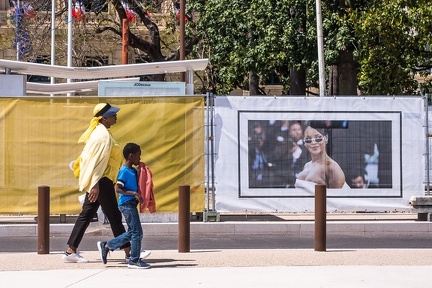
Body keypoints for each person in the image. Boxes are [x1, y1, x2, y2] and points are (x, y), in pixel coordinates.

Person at [62, 103, 130, 263]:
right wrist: (94, 184)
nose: (115, 116)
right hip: (101, 181)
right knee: (114, 217)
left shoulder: (102, 133)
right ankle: (129, 253)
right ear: (104, 118)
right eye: (112, 114)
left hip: (100, 181)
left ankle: (70, 252)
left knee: (86, 215)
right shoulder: (102, 136)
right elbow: (94, 162)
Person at [97, 143, 151, 269]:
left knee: (133, 232)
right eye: (138, 156)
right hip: (126, 203)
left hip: (131, 203)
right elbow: (118, 188)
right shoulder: (124, 171)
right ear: (131, 156)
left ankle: (107, 246)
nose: (140, 159)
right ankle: (134, 260)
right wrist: (134, 193)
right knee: (137, 232)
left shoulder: (133, 170)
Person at [295, 125, 346, 189]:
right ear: (304, 142)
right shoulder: (307, 165)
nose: (313, 142)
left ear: (326, 138)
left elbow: (337, 198)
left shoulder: (332, 168)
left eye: (318, 138)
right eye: (308, 139)